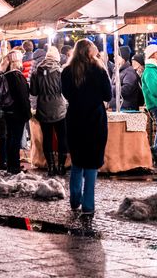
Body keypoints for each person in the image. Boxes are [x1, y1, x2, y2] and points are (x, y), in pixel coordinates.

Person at [61, 39, 112, 215]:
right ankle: (88, 205)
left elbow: (66, 93)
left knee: (77, 161)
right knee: (92, 163)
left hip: (75, 118)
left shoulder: (67, 71)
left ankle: (75, 199)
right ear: (91, 52)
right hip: (95, 120)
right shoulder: (99, 69)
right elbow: (108, 95)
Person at [30, 47, 68, 176]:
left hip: (43, 108)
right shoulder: (60, 72)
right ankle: (61, 166)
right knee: (62, 137)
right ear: (56, 58)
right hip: (59, 109)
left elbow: (34, 92)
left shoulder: (36, 72)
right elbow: (65, 90)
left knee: (47, 138)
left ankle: (51, 167)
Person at [0, 50, 30, 174]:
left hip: (7, 111)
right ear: (17, 61)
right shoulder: (17, 76)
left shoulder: (5, 75)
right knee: (15, 140)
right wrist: (27, 113)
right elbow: (22, 97)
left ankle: (11, 165)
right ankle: (14, 166)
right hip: (17, 113)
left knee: (10, 138)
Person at [109, 46, 141, 111]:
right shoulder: (117, 71)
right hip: (117, 107)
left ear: (122, 59)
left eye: (116, 56)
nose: (114, 58)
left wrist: (110, 88)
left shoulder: (129, 72)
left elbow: (126, 90)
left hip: (126, 109)